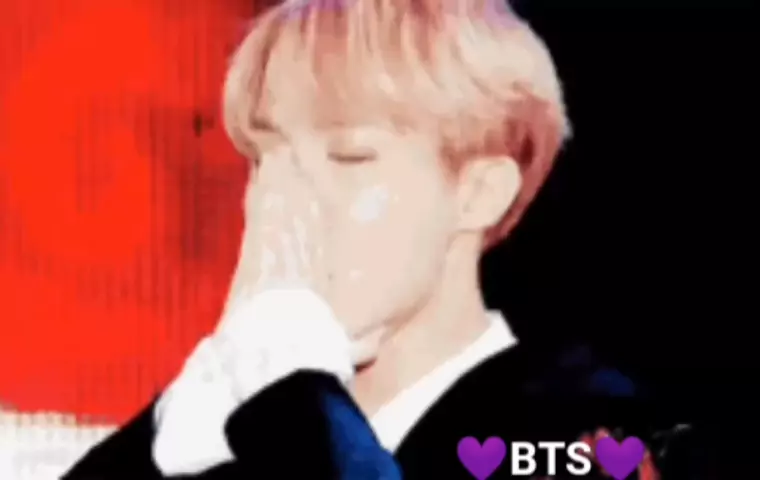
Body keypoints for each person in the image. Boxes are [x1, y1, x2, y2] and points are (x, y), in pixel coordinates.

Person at [64, 0, 712, 478]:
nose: (281, 203)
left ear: (479, 192)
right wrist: (176, 428)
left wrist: (292, 391)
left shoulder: (592, 435)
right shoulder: (245, 428)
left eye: (349, 157)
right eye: (266, 159)